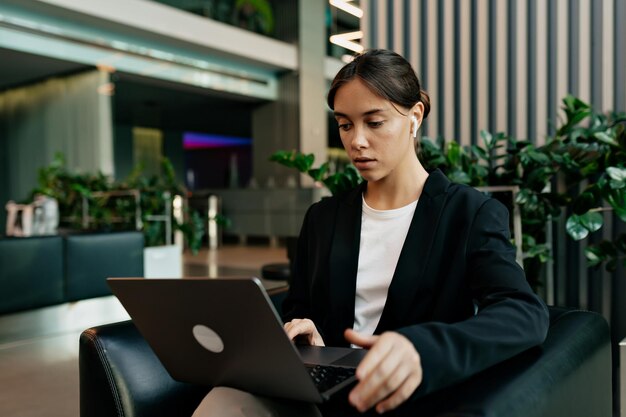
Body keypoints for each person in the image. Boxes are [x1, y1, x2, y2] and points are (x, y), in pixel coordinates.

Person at [193, 49, 549, 417]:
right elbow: (300, 306)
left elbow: (523, 312)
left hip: (400, 398)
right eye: (345, 124)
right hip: (321, 395)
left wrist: (420, 348)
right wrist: (308, 335)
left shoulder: (469, 214)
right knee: (224, 400)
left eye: (374, 122)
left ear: (415, 117)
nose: (356, 141)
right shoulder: (323, 218)